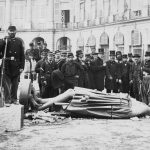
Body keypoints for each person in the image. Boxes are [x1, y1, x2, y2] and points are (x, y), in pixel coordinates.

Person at [0, 26, 25, 104]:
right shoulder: (4, 41)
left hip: (16, 65)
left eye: (13, 31)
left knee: (15, 84)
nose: (12, 33)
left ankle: (14, 99)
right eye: (10, 31)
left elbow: (22, 55)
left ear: (15, 32)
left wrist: (22, 67)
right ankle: (7, 99)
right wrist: (3, 41)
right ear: (8, 32)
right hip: (6, 65)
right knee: (6, 84)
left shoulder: (19, 41)